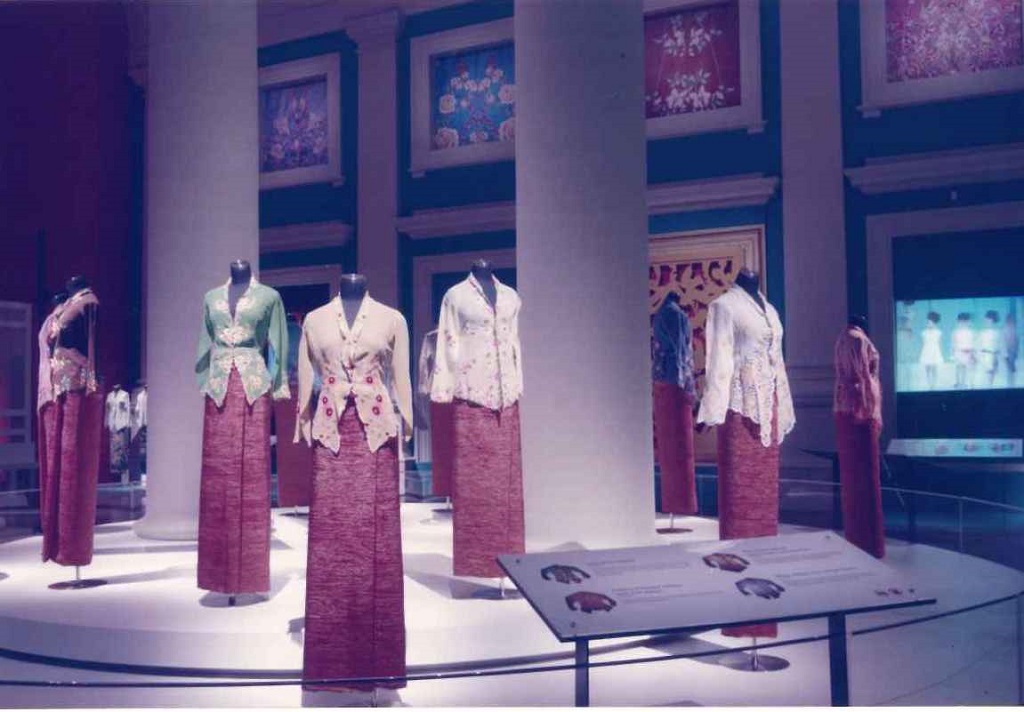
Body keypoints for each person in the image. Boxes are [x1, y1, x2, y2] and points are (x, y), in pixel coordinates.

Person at [918, 311, 943, 390]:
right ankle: (929, 384)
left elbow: (939, 343)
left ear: (934, 323)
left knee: (934, 369)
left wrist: (939, 353)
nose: (928, 324)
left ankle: (934, 384)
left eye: (930, 322)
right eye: (928, 322)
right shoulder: (924, 332)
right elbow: (923, 343)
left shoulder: (938, 332)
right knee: (927, 369)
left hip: (935, 351)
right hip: (927, 351)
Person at [951, 313, 975, 389]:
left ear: (967, 322)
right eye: (960, 321)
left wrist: (972, 353)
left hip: (967, 352)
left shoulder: (970, 332)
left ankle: (963, 383)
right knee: (958, 367)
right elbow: (953, 342)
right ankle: (958, 382)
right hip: (958, 351)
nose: (962, 323)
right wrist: (953, 352)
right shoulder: (956, 332)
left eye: (964, 321)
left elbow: (972, 342)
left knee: (964, 367)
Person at [977, 311, 1000, 387]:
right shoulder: (982, 332)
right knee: (987, 374)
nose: (986, 321)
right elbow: (979, 345)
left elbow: (998, 345)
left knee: (991, 373)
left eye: (987, 319)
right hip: (985, 355)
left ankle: (990, 386)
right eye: (986, 319)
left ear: (992, 320)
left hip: (993, 355)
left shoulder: (997, 332)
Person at [1004, 313, 1019, 386]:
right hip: (1009, 349)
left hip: (1012, 349)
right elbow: (1005, 340)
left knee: (1011, 366)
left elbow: (1016, 340)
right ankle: (1011, 383)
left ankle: (1012, 383)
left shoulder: (1013, 329)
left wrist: (1016, 351)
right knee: (1010, 366)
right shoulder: (1007, 328)